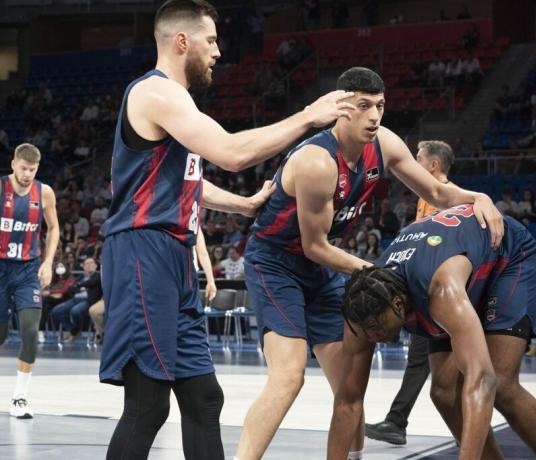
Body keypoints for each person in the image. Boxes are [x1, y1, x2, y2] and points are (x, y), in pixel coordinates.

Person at [98, 1, 356, 458]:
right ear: (182, 42)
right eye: (211, 40)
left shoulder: (177, 104)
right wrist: (307, 116)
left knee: (203, 397)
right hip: (142, 252)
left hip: (173, 257)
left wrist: (243, 204)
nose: (218, 51)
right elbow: (233, 153)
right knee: (147, 405)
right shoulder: (155, 93)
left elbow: (189, 179)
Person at [237, 67, 503, 460]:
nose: (374, 116)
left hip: (325, 268)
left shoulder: (385, 143)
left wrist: (477, 195)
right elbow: (314, 246)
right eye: (364, 106)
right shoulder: (316, 163)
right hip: (276, 262)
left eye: (379, 105)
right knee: (289, 376)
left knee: (350, 390)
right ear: (341, 109)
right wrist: (378, 273)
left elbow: (435, 190)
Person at [329, 206, 536, 460]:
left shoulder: (441, 293)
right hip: (454, 267)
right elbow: (347, 402)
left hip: (506, 256)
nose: (373, 338)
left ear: (397, 304)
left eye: (376, 329)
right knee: (444, 393)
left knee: (501, 384)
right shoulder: (362, 308)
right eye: (367, 332)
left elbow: (482, 379)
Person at [365, 139, 453, 445]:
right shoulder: (426, 197)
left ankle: (399, 422)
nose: (412, 162)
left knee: (454, 365)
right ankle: (397, 422)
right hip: (427, 291)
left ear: (433, 165)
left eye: (418, 158)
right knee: (426, 361)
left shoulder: (445, 197)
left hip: (442, 294)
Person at [0, 143, 60, 418]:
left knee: (29, 331)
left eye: (32, 170)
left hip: (27, 271)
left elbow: (54, 227)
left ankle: (20, 397)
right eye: (23, 168)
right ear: (13, 164)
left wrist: (48, 262)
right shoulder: (1, 189)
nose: (27, 174)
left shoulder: (44, 192)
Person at [51, 257, 102, 343]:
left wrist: (79, 285)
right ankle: (74, 330)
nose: (89, 265)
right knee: (56, 311)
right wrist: (79, 286)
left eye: (91, 263)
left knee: (75, 311)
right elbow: (71, 289)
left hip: (87, 301)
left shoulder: (98, 276)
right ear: (83, 267)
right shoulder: (79, 277)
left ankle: (74, 331)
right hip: (75, 299)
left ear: (96, 266)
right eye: (86, 264)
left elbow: (91, 283)